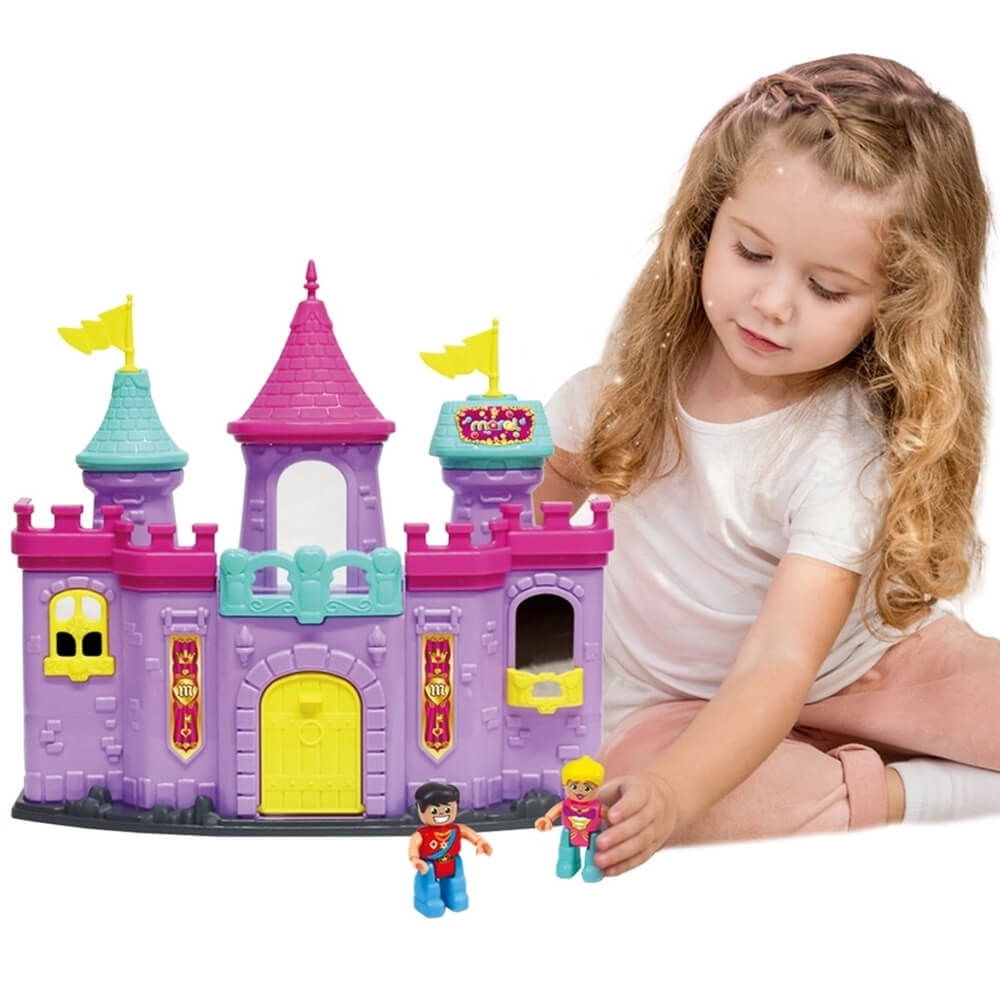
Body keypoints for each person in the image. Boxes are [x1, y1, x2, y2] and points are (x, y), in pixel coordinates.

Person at [534, 54, 998, 876]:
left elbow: (781, 660)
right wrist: (672, 790)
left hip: (864, 671)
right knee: (635, 796)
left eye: (827, 289)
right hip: (674, 703)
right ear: (707, 226)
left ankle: (879, 767)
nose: (773, 304)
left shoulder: (841, 452)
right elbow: (520, 522)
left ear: (896, 305)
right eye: (751, 253)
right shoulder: (624, 389)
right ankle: (894, 790)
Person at [408, 781, 493, 917]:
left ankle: (455, 895)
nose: (442, 814)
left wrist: (480, 842)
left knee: (457, 883)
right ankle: (427, 901)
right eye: (434, 811)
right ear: (420, 809)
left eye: (447, 810)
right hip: (429, 865)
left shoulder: (457, 829)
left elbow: (471, 835)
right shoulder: (421, 835)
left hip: (453, 862)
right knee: (430, 886)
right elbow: (413, 847)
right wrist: (415, 860)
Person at [535, 755, 606, 882]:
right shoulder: (566, 804)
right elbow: (557, 810)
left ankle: (593, 866)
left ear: (597, 788)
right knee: (566, 849)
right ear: (566, 786)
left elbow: (609, 816)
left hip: (592, 834)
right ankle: (568, 862)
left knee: (593, 852)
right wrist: (548, 819)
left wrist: (615, 825)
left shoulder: (598, 807)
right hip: (570, 832)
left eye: (587, 788)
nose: (580, 792)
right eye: (574, 787)